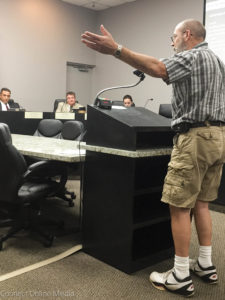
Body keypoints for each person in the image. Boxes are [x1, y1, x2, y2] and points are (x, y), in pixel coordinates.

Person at [81, 19, 225, 297]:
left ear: (187, 35)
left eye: (173, 37)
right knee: (202, 203)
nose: (172, 43)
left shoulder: (192, 55)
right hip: (218, 136)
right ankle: (205, 264)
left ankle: (181, 275)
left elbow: (159, 68)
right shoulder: (217, 61)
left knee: (179, 205)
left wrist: (116, 50)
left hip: (194, 138)